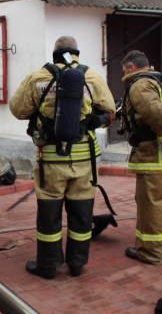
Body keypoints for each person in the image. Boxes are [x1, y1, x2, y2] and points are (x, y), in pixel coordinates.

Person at [10, 36, 115, 279]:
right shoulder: (92, 76)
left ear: (55, 52)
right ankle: (76, 265)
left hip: (51, 160)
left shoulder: (38, 77)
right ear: (76, 51)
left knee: (49, 215)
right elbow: (110, 109)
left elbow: (17, 110)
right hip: (85, 160)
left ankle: (48, 266)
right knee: (81, 214)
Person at [120, 51, 162, 265]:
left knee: (152, 205)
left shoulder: (140, 85)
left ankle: (151, 252)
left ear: (131, 67)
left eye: (124, 70)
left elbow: (156, 114)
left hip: (155, 157)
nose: (124, 74)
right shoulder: (161, 81)